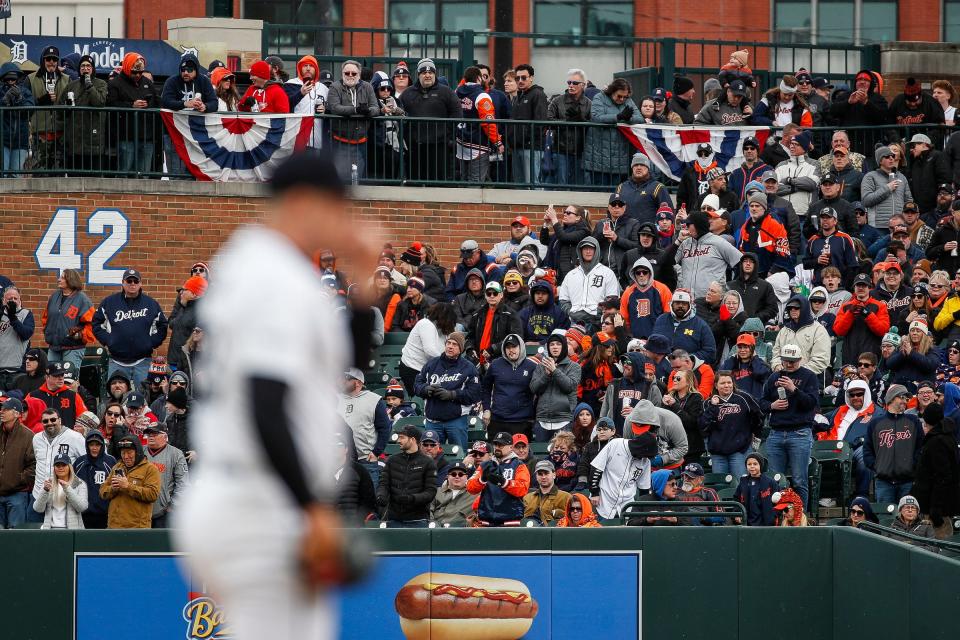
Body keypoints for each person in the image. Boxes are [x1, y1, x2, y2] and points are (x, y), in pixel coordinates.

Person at [174, 152, 374, 638]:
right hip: (257, 499)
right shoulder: (275, 278)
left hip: (246, 494)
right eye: (336, 205)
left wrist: (365, 284)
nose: (343, 219)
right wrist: (311, 508)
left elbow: (348, 355)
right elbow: (266, 402)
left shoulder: (257, 263)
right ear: (306, 202)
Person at [760, 344, 819, 509]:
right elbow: (762, 403)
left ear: (800, 359)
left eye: (793, 361)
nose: (789, 364)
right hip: (776, 432)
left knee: (800, 479)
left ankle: (801, 518)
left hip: (799, 432)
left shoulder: (809, 376)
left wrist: (794, 389)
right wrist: (772, 405)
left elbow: (811, 404)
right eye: (786, 360)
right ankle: (779, 516)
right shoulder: (774, 377)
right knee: (776, 480)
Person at [92, 269, 168, 389]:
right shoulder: (109, 302)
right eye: (129, 281)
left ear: (140, 283)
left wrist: (151, 343)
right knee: (116, 398)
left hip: (143, 361)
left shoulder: (151, 304)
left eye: (135, 281)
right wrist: (109, 340)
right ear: (123, 283)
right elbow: (96, 323)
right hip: (116, 361)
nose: (132, 284)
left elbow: (163, 325)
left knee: (144, 396)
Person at [414, 332, 482, 451]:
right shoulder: (432, 364)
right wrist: (426, 389)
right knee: (430, 458)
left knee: (458, 457)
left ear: (461, 349)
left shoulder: (468, 368)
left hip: (456, 420)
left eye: (455, 344)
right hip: (433, 420)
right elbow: (417, 384)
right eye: (448, 343)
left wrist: (452, 395)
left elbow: (473, 394)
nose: (450, 346)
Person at [589, 403, 657, 519]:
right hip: (604, 501)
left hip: (626, 506)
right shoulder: (616, 444)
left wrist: (643, 510)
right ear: (639, 449)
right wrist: (594, 492)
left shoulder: (646, 462)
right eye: (644, 455)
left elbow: (644, 489)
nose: (644, 458)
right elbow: (596, 468)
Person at [399, 58, 461, 182]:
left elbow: (457, 114)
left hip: (439, 147)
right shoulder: (407, 93)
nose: (427, 75)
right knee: (414, 182)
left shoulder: (446, 92)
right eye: (424, 73)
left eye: (430, 72)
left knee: (438, 183)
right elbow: (400, 116)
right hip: (414, 147)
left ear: (435, 73)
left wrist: (446, 134)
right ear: (418, 75)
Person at [864, 384, 923, 504]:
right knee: (885, 519)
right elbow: (867, 450)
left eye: (907, 398)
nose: (905, 401)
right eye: (902, 397)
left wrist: (913, 466)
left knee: (908, 520)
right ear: (891, 398)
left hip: (907, 481)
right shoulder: (875, 423)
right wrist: (878, 467)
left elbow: (920, 448)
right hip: (883, 481)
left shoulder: (913, 421)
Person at [700, 372, 763, 477]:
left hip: (740, 451)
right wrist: (713, 407)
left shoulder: (744, 398)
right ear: (716, 385)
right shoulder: (708, 403)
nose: (726, 385)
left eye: (729, 382)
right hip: (718, 453)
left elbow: (759, 416)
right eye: (722, 383)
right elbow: (703, 425)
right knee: (720, 485)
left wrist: (754, 433)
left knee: (741, 483)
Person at [583, 78, 643, 187]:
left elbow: (640, 118)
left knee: (617, 194)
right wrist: (618, 117)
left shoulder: (628, 100)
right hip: (599, 154)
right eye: (619, 96)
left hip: (619, 156)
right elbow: (596, 117)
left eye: (625, 97)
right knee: (600, 191)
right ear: (612, 91)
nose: (622, 99)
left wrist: (627, 119)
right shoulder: (599, 98)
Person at [107, 52, 159, 175]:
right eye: (134, 72)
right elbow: (111, 104)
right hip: (126, 135)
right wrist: (131, 105)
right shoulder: (115, 83)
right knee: (125, 172)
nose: (137, 75)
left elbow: (157, 102)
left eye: (140, 72)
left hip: (146, 135)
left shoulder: (147, 82)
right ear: (126, 68)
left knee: (144, 173)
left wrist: (147, 105)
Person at [375, 425, 436, 528]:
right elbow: (383, 484)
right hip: (394, 519)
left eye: (402, 437)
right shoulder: (391, 460)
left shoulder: (428, 462)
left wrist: (411, 498)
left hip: (418, 520)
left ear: (412, 439)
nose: (399, 440)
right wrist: (381, 495)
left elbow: (431, 492)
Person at [337, 368, 390, 488]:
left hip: (365, 459)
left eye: (346, 379)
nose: (342, 381)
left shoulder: (373, 399)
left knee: (369, 499)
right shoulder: (336, 399)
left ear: (358, 383)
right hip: (340, 459)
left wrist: (376, 452)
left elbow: (385, 428)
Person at [466, 431, 531, 527]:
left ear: (511, 447)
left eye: (501, 445)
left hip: (510, 520)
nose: (497, 447)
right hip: (486, 520)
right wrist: (481, 480)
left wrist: (504, 482)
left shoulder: (519, 465)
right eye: (496, 444)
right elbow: (470, 488)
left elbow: (522, 489)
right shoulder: (485, 465)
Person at [558, 237, 620, 330]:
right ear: (580, 251)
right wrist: (571, 312)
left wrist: (598, 313)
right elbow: (563, 300)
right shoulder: (571, 275)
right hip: (575, 322)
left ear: (596, 250)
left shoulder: (607, 273)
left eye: (591, 248)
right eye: (585, 248)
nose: (588, 251)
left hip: (599, 322)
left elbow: (612, 298)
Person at [530, 330, 581, 442]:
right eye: (552, 344)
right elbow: (534, 388)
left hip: (564, 419)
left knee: (562, 455)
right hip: (543, 420)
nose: (555, 347)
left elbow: (569, 386)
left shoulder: (574, 367)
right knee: (540, 455)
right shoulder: (540, 367)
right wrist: (546, 375)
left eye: (558, 344)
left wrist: (554, 371)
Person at [99, 435, 160, 529]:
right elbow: (103, 492)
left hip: (137, 529)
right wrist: (113, 489)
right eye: (123, 453)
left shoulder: (150, 469)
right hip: (114, 527)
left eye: (129, 452)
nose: (126, 456)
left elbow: (153, 494)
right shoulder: (117, 467)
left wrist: (128, 486)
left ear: (138, 452)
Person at [60, 54, 107, 174]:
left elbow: (99, 102)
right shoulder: (72, 85)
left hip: (93, 140)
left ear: (93, 69)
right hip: (75, 141)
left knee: (93, 180)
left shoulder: (101, 83)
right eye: (82, 66)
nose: (85, 68)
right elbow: (60, 107)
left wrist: (90, 86)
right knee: (74, 178)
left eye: (88, 66)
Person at [454, 65, 501, 183]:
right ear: (479, 79)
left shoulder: (457, 92)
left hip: (461, 142)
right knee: (475, 181)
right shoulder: (482, 96)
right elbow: (488, 122)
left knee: (464, 179)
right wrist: (497, 141)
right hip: (478, 144)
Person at [42, 269, 94, 373]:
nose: (58, 280)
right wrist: (48, 332)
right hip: (54, 347)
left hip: (73, 348)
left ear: (70, 280)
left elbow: (92, 324)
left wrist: (80, 335)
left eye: (62, 277)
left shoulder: (83, 300)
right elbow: (46, 318)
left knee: (69, 381)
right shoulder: (54, 296)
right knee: (51, 379)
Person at [547, 68, 591, 186]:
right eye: (569, 82)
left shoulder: (588, 103)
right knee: (561, 184)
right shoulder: (557, 101)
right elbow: (548, 119)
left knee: (579, 186)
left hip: (581, 150)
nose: (571, 85)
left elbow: (593, 125)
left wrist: (581, 120)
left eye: (575, 83)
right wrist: (567, 122)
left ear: (583, 85)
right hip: (561, 149)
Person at [398, 302, 455, 395]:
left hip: (427, 371)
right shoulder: (426, 324)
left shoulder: (441, 329)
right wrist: (449, 362)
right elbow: (430, 351)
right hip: (412, 369)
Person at [28, 45, 69, 170]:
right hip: (40, 134)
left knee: (58, 175)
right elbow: (26, 103)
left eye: (54, 59)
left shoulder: (66, 79)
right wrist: (41, 100)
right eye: (48, 59)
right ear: (43, 60)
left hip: (60, 134)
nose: (51, 62)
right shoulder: (30, 79)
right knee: (38, 174)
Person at [651, 289, 716, 364]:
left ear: (690, 305)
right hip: (661, 368)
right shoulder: (661, 319)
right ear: (671, 304)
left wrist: (686, 358)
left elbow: (710, 352)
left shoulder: (701, 325)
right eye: (677, 303)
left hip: (688, 370)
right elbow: (652, 344)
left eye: (684, 303)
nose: (680, 306)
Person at [771, 295, 831, 375]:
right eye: (790, 308)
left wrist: (799, 372)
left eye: (796, 308)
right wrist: (777, 365)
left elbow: (821, 360)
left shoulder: (818, 330)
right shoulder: (784, 330)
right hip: (784, 376)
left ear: (804, 309)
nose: (793, 310)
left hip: (810, 378)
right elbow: (776, 354)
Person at [143, 423, 189, 529]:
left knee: (161, 544)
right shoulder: (140, 451)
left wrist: (173, 506)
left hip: (164, 513)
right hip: (141, 511)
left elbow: (183, 483)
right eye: (149, 434)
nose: (150, 436)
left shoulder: (176, 454)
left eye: (154, 434)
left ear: (164, 436)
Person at [0, 398, 35, 528]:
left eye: (6, 409)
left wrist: (18, 479)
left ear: (16, 413)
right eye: (1, 408)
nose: (1, 411)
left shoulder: (28, 435)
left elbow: (34, 465)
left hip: (17, 494)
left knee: (15, 538)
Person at [72, 430, 116, 529]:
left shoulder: (110, 462)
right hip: (83, 515)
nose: (94, 448)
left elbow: (116, 487)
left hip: (105, 515)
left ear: (102, 446)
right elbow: (72, 486)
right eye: (91, 444)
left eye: (97, 444)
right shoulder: (79, 462)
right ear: (87, 446)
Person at [861, 145, 914, 229]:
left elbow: (908, 202)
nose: (891, 158)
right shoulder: (870, 176)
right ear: (880, 161)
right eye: (887, 156)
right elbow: (866, 201)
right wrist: (887, 188)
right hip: (878, 227)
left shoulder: (902, 177)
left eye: (892, 156)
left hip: (899, 227)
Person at [615, 153, 673, 226]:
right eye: (636, 165)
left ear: (648, 168)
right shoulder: (621, 188)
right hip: (625, 234)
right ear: (632, 168)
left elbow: (668, 214)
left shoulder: (658, 187)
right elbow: (612, 210)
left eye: (642, 165)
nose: (639, 167)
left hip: (648, 234)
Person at [33, 452, 87, 529]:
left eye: (64, 465)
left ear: (70, 467)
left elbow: (82, 507)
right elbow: (38, 509)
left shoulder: (79, 483)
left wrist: (67, 488)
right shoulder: (48, 484)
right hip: (50, 529)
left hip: (72, 530)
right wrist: (45, 491)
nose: (60, 468)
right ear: (54, 468)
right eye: (57, 465)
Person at [0, 61, 35, 174]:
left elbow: (30, 111)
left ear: (18, 78)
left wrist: (20, 99)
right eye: (7, 79)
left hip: (20, 140)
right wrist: (4, 101)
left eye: (13, 79)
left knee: (16, 175)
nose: (10, 82)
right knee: (2, 174)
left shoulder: (25, 92)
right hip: (2, 140)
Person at [166, 275, 206, 373]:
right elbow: (173, 325)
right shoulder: (184, 307)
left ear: (194, 294)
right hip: (174, 363)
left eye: (184, 290)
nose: (181, 293)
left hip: (186, 366)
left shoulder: (200, 312)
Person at [906, 134, 951, 215]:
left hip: (935, 210)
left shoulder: (937, 156)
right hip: (919, 211)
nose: (911, 149)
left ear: (924, 145)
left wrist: (940, 205)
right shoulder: (915, 162)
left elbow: (945, 180)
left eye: (913, 146)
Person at [733, 452, 777, 526]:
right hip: (747, 523)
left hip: (766, 523)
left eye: (755, 464)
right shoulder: (743, 482)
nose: (752, 466)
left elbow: (779, 500)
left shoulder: (770, 482)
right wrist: (737, 513)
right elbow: (736, 498)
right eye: (749, 464)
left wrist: (773, 516)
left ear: (760, 465)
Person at [522, 459, 571, 525]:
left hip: (556, 533)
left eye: (546, 473)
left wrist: (557, 513)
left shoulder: (566, 497)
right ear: (536, 476)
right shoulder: (527, 498)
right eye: (540, 474)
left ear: (554, 475)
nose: (543, 477)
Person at [429, 460, 474, 527]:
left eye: (461, 474)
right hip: (437, 530)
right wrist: (435, 526)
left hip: (461, 531)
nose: (457, 476)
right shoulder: (437, 492)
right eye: (453, 474)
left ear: (466, 477)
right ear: (447, 476)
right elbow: (428, 511)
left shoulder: (474, 493)